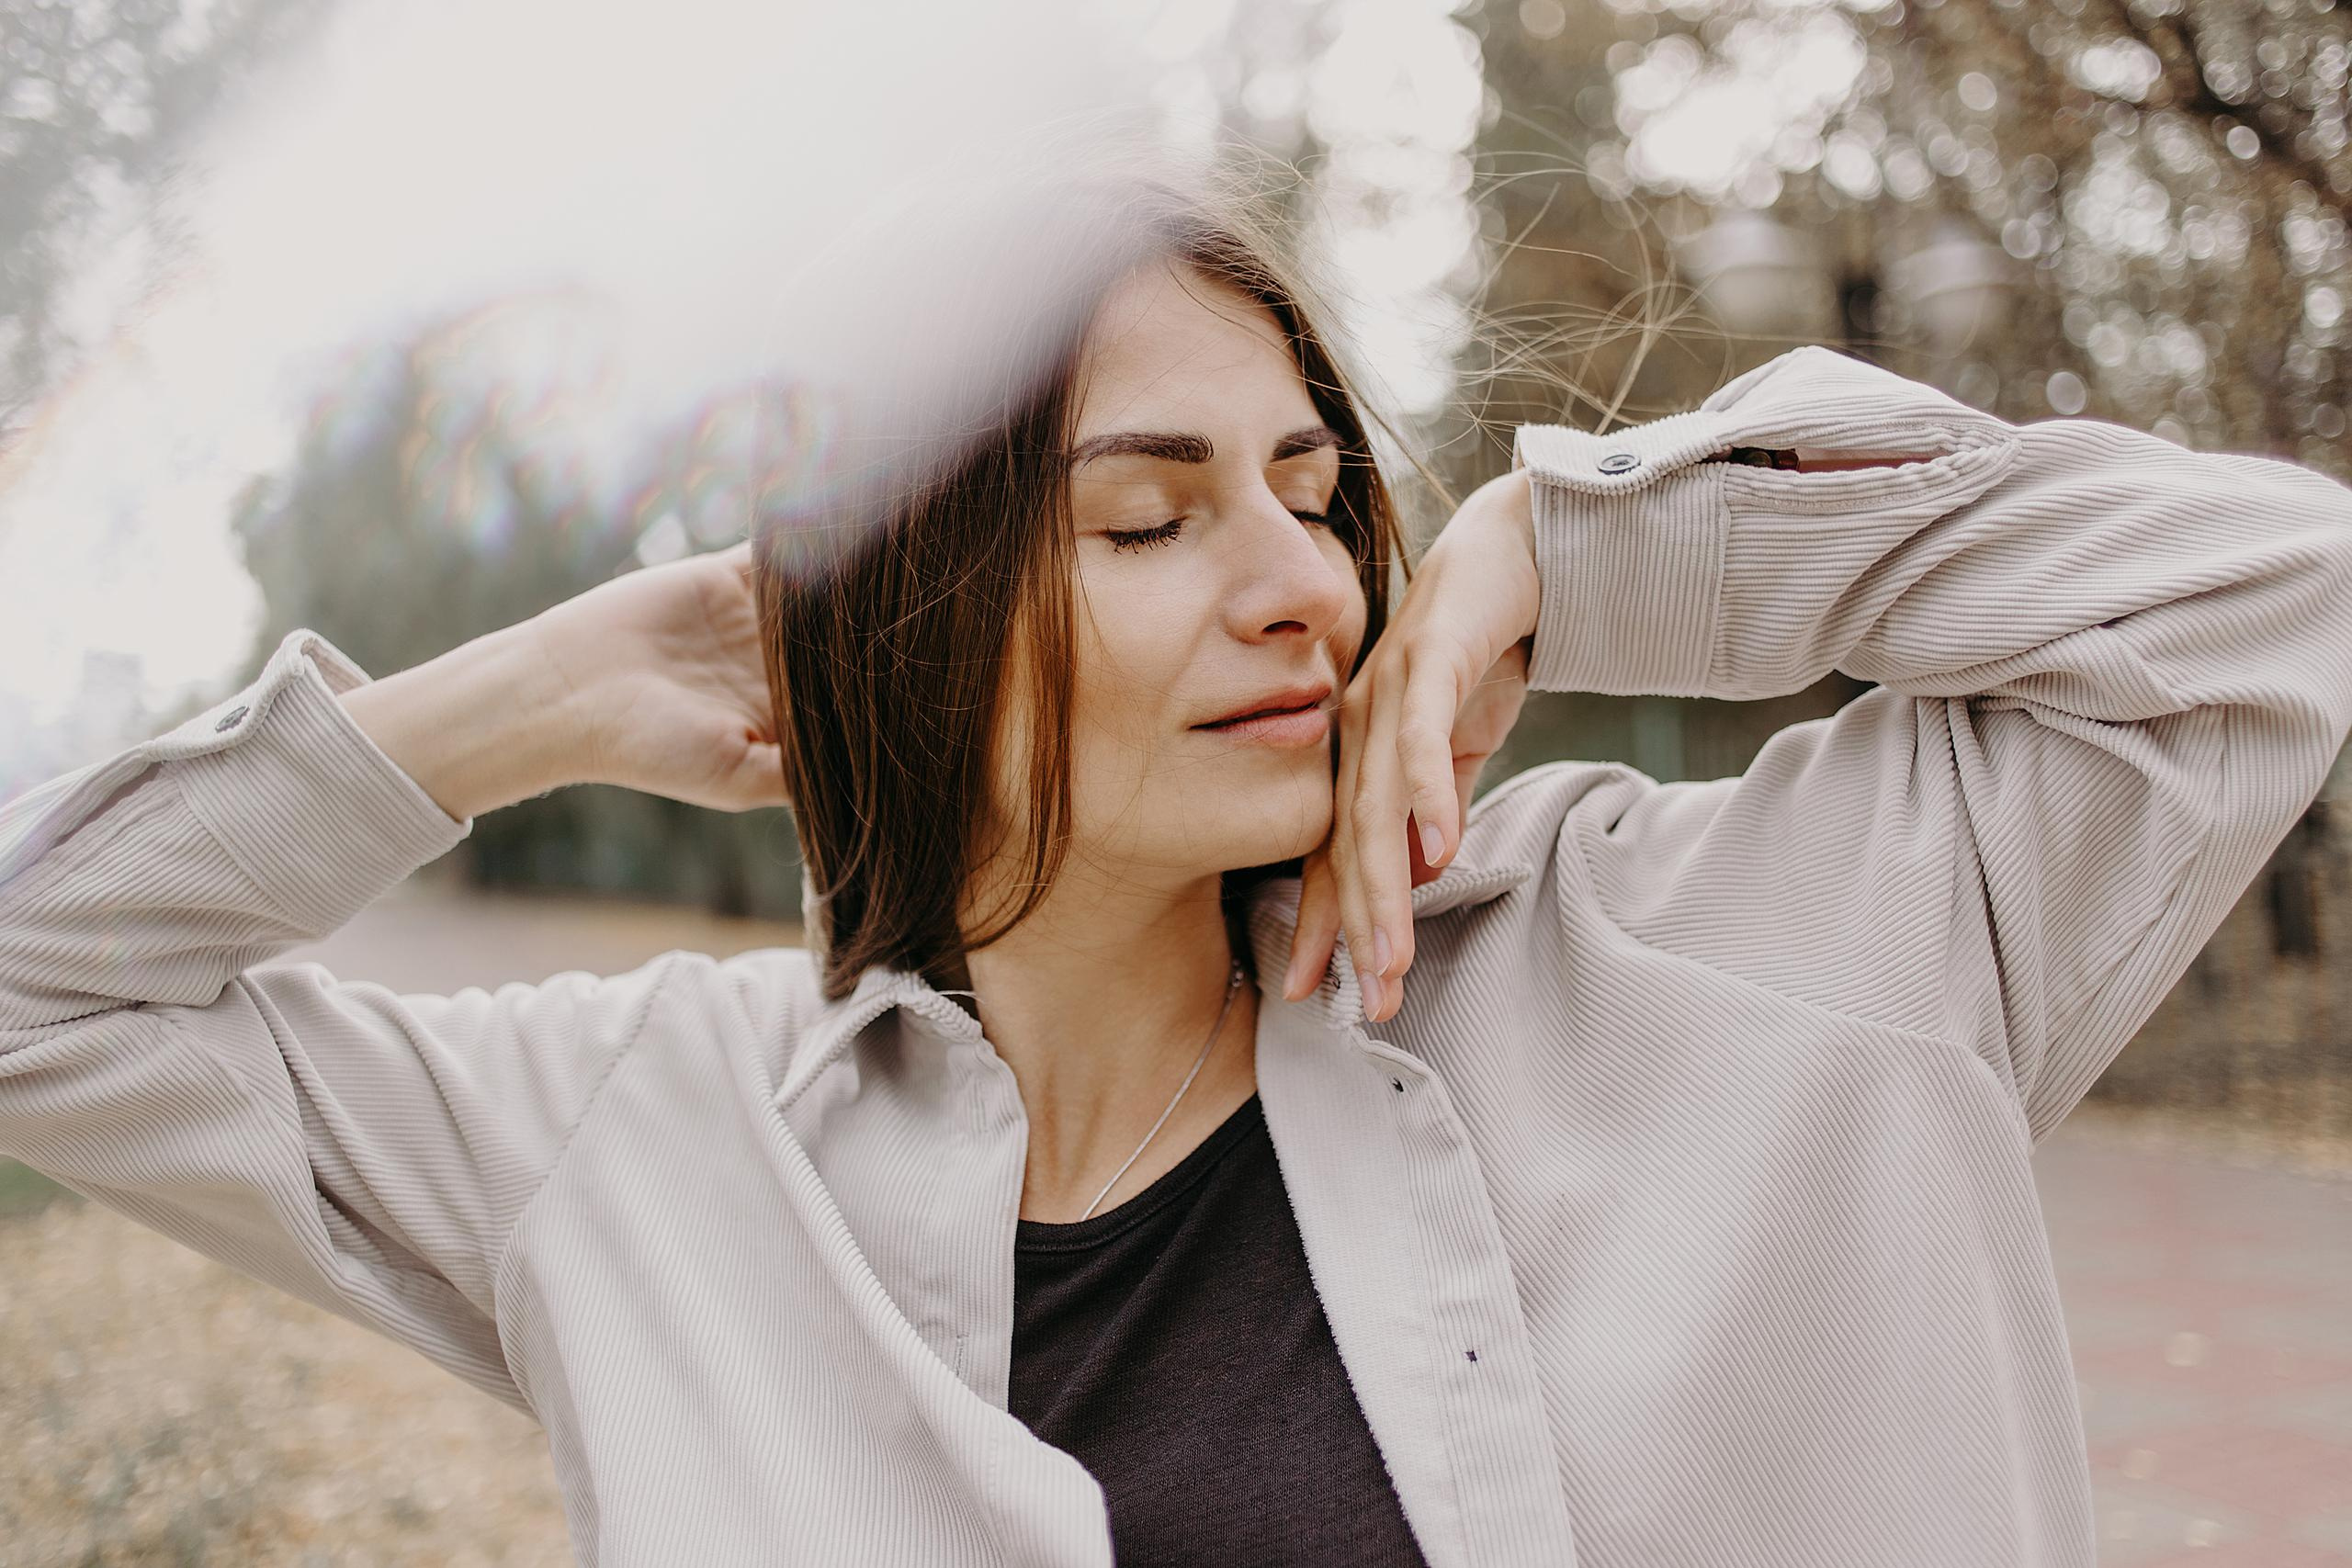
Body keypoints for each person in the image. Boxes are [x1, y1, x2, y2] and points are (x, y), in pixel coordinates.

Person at [5, 172, 2351, 1568]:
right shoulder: (640, 1137)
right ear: (908, 623)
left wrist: (1596, 545)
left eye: (1315, 496)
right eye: (1146, 517)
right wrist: (511, 703)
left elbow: (2269, 604)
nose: (1304, 585)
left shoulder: (1719, 946)